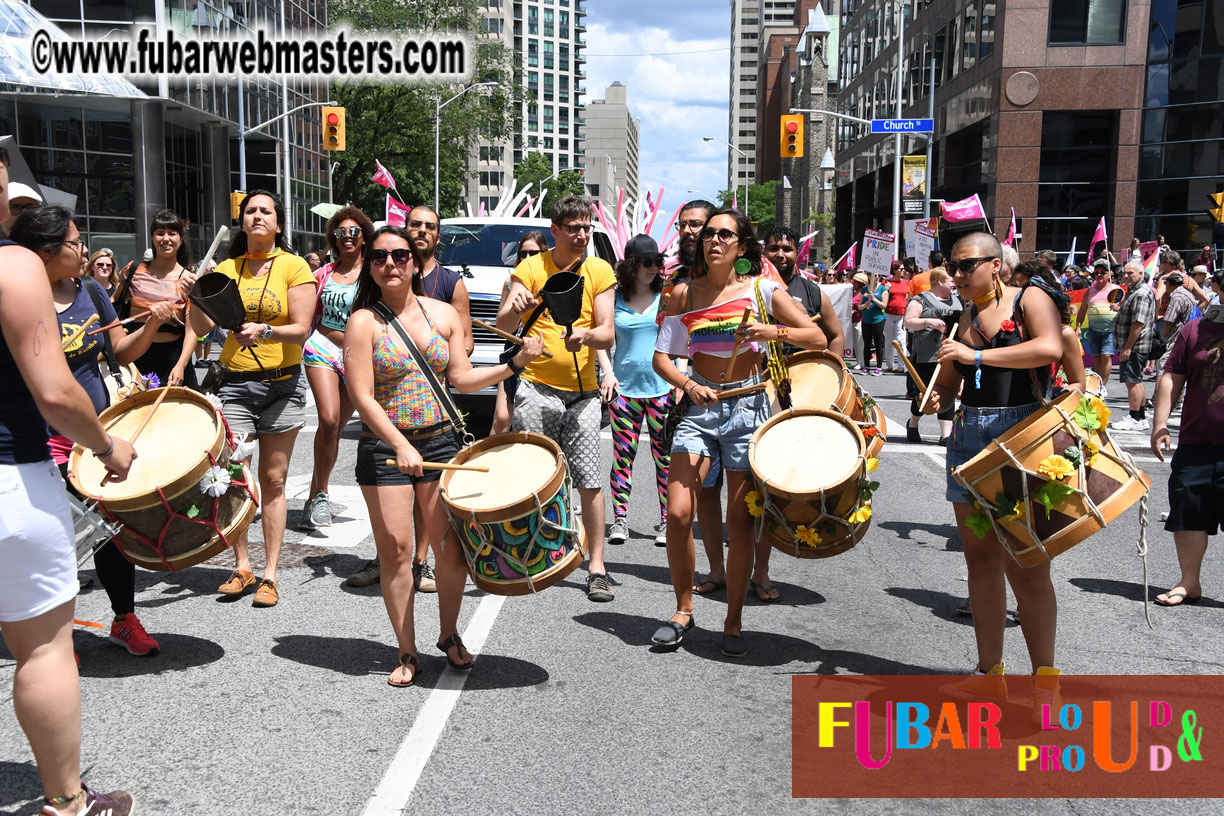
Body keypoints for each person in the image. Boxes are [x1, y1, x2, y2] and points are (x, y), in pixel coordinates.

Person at [0, 148, 138, 815]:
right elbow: (54, 391)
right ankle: (65, 802)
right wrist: (108, 445)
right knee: (43, 648)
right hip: (11, 476)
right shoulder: (14, 265)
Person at [345, 226, 543, 685]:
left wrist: (514, 366)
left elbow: (462, 378)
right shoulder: (363, 322)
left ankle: (448, 634)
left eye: (399, 255)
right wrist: (400, 443)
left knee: (450, 552)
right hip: (385, 449)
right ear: (370, 266)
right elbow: (362, 397)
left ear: (414, 263)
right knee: (396, 551)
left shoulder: (442, 315)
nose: (389, 264)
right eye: (379, 257)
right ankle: (406, 650)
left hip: (439, 442)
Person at [651, 208, 825, 656]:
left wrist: (769, 329)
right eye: (708, 234)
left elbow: (817, 338)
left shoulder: (763, 290)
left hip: (749, 408)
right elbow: (663, 358)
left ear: (742, 247)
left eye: (724, 235)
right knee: (677, 514)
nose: (713, 241)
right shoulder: (684, 294)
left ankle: (732, 621)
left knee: (740, 522)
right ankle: (683, 610)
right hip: (699, 405)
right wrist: (688, 384)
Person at [10, 204, 175, 659]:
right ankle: (54, 638)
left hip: (94, 436)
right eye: (74, 242)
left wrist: (153, 323)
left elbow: (120, 353)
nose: (83, 249)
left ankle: (124, 618)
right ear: (44, 252)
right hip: (40, 442)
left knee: (111, 533)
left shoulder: (90, 292)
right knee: (56, 541)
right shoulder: (19, 299)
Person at [923, 231, 1065, 716]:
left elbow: (1050, 348)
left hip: (1024, 434)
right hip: (970, 436)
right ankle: (990, 675)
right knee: (980, 561)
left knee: (1027, 562)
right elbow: (952, 379)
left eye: (965, 266)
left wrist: (975, 356)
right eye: (952, 267)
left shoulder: (1031, 297)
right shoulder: (965, 314)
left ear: (997, 263)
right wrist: (940, 389)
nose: (956, 275)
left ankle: (1045, 681)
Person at [187, 190, 315, 608]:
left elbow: (302, 328)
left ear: (278, 224)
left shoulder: (294, 266)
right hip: (235, 385)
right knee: (237, 478)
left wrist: (267, 331)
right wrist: (194, 292)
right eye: (250, 211)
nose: (257, 216)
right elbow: (203, 326)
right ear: (242, 222)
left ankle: (271, 574)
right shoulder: (225, 268)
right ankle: (241, 565)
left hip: (283, 384)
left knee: (275, 480)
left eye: (266, 211)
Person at [496, 195, 618, 602]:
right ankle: (532, 551)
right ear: (556, 230)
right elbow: (502, 323)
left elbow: (607, 332)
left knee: (588, 479)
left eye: (587, 228)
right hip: (535, 384)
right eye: (574, 228)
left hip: (583, 394)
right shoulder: (531, 267)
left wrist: (585, 335)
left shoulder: (599, 269)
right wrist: (517, 307)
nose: (582, 234)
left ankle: (596, 566)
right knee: (534, 473)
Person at [758, 224, 845, 598]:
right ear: (765, 251)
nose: (781, 255)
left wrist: (831, 376)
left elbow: (835, 335)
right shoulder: (755, 285)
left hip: (806, 393)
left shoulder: (812, 291)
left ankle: (802, 524)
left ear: (798, 253)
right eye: (775, 248)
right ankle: (758, 570)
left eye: (788, 249)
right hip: (762, 390)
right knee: (759, 479)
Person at [656, 200, 730, 597]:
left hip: (743, 397)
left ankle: (757, 571)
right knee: (699, 495)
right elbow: (667, 346)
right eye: (683, 225)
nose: (688, 232)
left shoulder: (746, 276)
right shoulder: (678, 283)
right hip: (694, 398)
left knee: (741, 498)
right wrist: (685, 384)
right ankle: (714, 571)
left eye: (696, 225)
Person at [301, 206, 372, 533]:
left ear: (363, 236)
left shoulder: (374, 274)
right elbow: (306, 316)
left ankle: (315, 494)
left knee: (335, 429)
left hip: (357, 357)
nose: (346, 237)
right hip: (322, 348)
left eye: (353, 232)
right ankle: (322, 494)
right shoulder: (321, 274)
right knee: (328, 419)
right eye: (340, 232)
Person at [1150, 310, 1224, 607]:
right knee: (1189, 509)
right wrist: (1160, 424)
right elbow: (1171, 377)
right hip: (1196, 439)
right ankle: (1189, 582)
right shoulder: (1194, 329)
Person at [603, 233, 671, 548]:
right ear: (630, 265)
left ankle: (667, 522)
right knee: (623, 457)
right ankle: (620, 520)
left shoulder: (667, 297)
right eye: (647, 261)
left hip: (662, 390)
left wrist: (681, 378)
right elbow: (600, 340)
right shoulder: (613, 298)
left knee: (666, 458)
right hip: (624, 392)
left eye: (658, 261)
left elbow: (681, 341)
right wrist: (607, 374)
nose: (654, 267)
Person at [112, 209, 198, 388]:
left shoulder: (188, 280)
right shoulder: (133, 270)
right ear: (152, 238)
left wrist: (180, 366)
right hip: (134, 357)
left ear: (180, 240)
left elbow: (192, 330)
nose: (165, 238)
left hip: (171, 359)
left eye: (172, 233)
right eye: (160, 233)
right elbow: (113, 303)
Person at [492, 231, 550, 436]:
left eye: (533, 254)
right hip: (513, 351)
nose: (526, 259)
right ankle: (491, 465)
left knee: (534, 421)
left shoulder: (550, 282)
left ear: (543, 254)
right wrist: (516, 312)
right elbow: (502, 325)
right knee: (501, 418)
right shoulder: (510, 283)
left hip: (542, 357)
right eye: (522, 254)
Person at [902, 268, 960, 444]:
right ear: (940, 281)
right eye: (951, 280)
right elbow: (908, 321)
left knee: (946, 391)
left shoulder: (959, 300)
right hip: (926, 356)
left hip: (950, 354)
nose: (954, 284)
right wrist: (928, 322)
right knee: (925, 393)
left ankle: (946, 435)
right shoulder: (920, 300)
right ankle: (913, 424)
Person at [1111, 261, 1157, 432]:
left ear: (1140, 274)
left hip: (1135, 345)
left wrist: (1127, 347)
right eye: (1125, 273)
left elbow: (1137, 323)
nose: (1126, 276)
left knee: (1132, 381)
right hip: (1135, 345)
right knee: (1136, 380)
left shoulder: (1140, 294)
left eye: (1130, 273)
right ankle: (1141, 417)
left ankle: (1134, 417)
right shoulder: (1135, 291)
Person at [1079, 259, 1121, 394]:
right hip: (1094, 329)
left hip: (1110, 329)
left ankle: (1102, 385)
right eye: (1096, 273)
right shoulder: (1089, 291)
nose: (1099, 275)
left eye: (1103, 272)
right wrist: (1078, 327)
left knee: (1106, 356)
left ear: (1109, 274)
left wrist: (1118, 308)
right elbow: (1082, 310)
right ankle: (1097, 384)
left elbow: (1126, 309)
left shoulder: (1116, 290)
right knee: (1097, 357)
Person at [883, 260, 909, 372]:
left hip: (901, 315)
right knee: (888, 340)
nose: (903, 271)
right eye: (900, 269)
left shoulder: (906, 283)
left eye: (903, 269)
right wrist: (887, 289)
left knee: (901, 340)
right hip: (889, 314)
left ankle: (901, 365)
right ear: (894, 270)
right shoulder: (887, 283)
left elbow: (908, 297)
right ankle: (889, 364)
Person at [862, 271, 888, 375]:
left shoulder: (883, 289)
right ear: (869, 276)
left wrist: (874, 299)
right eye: (874, 275)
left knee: (878, 343)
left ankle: (878, 367)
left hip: (878, 319)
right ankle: (866, 366)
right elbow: (859, 306)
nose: (876, 277)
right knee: (867, 343)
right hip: (866, 319)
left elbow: (884, 305)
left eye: (878, 275)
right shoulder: (864, 289)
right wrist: (864, 305)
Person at [849, 271, 868, 369]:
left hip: (859, 319)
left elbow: (864, 306)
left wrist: (856, 310)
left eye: (856, 282)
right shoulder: (852, 292)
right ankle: (858, 361)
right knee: (855, 343)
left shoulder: (863, 294)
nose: (854, 283)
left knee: (860, 342)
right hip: (851, 320)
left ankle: (862, 362)